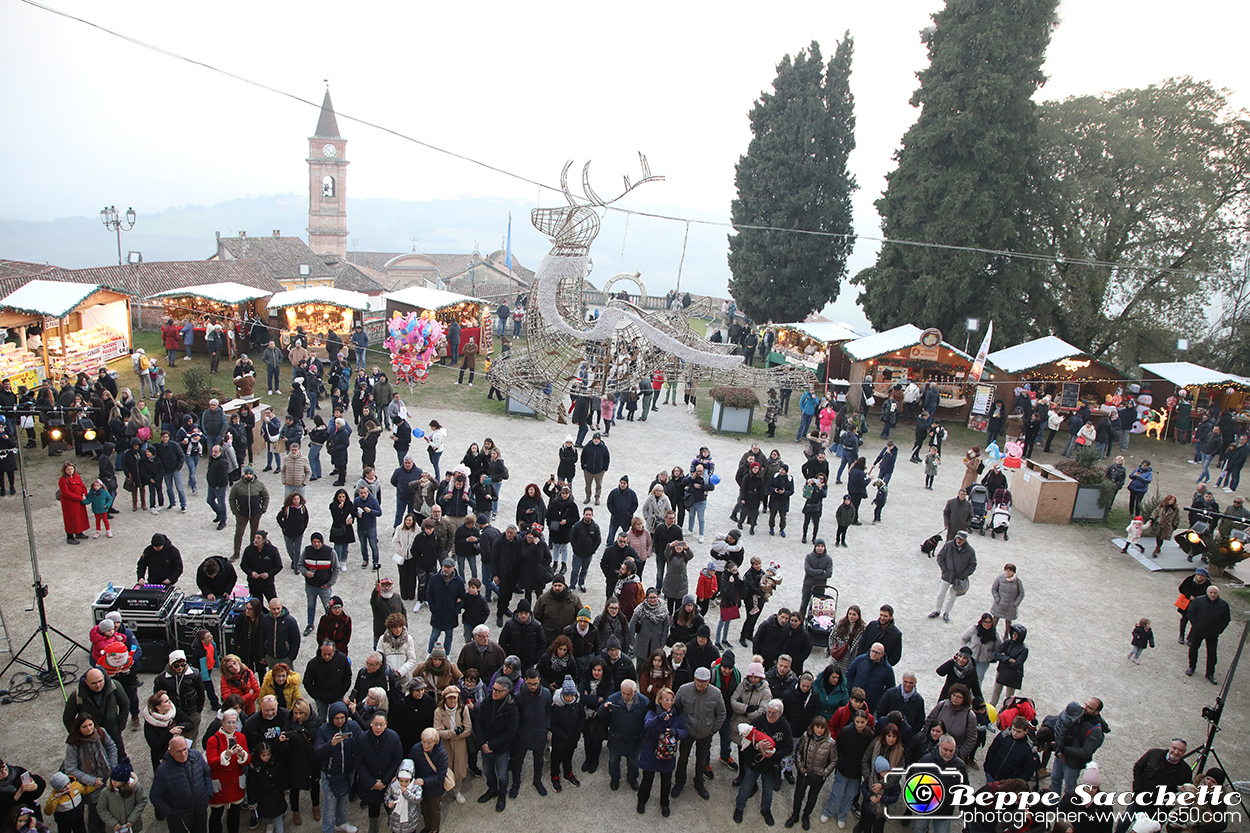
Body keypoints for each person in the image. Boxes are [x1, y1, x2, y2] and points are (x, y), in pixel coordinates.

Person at [732, 698, 793, 826]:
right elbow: (747, 738)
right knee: (746, 787)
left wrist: (775, 754)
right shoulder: (759, 721)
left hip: (771, 765)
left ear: (780, 714)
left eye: (773, 713)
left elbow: (789, 747)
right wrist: (757, 745)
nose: (770, 715)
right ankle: (739, 808)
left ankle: (766, 809)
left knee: (768, 790)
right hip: (754, 762)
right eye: (768, 712)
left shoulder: (784, 726)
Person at [149, 737, 213, 833]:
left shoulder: (196, 756)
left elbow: (206, 772)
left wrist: (208, 794)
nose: (183, 754)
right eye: (179, 752)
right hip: (179, 818)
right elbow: (155, 796)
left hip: (199, 811)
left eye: (184, 749)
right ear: (170, 752)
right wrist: (169, 813)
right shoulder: (163, 771)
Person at [475, 675, 519, 812]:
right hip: (485, 746)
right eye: (493, 689)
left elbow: (510, 733)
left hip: (501, 749)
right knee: (488, 771)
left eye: (497, 690)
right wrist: (482, 743)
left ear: (506, 692)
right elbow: (478, 723)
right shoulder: (487, 702)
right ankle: (492, 789)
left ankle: (502, 794)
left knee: (502, 775)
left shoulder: (512, 708)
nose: (494, 692)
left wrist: (491, 745)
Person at [354, 712, 404, 833]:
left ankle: (395, 828)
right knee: (373, 807)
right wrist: (372, 782)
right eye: (375, 724)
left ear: (386, 724)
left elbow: (397, 760)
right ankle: (373, 828)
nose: (378, 728)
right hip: (371, 784)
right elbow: (359, 764)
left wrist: (385, 781)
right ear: (371, 723)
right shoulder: (362, 739)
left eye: (381, 724)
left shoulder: (394, 737)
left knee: (392, 808)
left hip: (388, 783)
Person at [1049, 698, 1107, 795]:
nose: (1085, 708)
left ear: (1097, 712)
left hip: (1074, 764)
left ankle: (1067, 808)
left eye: (1090, 708)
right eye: (1086, 705)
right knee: (1055, 779)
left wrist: (1063, 749)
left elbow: (1086, 752)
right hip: (1061, 756)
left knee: (1070, 789)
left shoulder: (1096, 730)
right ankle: (1052, 804)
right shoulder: (1077, 715)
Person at [204, 708, 249, 833]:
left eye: (234, 722)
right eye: (228, 722)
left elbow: (247, 760)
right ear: (222, 723)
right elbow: (211, 762)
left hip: (235, 782)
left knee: (234, 815)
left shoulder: (241, 737)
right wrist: (226, 755)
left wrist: (242, 754)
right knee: (216, 814)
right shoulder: (213, 740)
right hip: (220, 783)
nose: (231, 725)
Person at [1185, 585, 1231, 684]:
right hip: (1198, 630)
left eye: (1215, 593)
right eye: (1211, 593)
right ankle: (1191, 667)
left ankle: (1210, 673)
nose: (1213, 595)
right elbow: (1191, 612)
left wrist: (1219, 630)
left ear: (1218, 594)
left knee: (1212, 653)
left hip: (1213, 633)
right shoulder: (1198, 601)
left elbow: (1226, 619)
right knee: (1193, 649)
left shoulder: (1223, 605)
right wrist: (1196, 625)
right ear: (1207, 592)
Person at [929, 531, 977, 623]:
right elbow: (940, 557)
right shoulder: (948, 545)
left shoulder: (970, 551)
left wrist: (963, 575)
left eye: (961, 539)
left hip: (958, 578)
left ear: (965, 540)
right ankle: (937, 610)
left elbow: (972, 565)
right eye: (958, 538)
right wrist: (944, 569)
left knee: (953, 596)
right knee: (941, 594)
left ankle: (947, 613)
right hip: (947, 575)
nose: (959, 541)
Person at [228, 466, 269, 562]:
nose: (248, 476)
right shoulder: (237, 485)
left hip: (255, 513)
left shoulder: (259, 485)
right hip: (242, 514)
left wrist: (263, 509)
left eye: (250, 474)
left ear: (253, 475)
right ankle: (236, 553)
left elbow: (266, 496)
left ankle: (253, 551)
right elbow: (232, 499)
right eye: (246, 474)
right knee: (239, 533)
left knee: (254, 534)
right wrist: (235, 512)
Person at [96, 761, 147, 833]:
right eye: (112, 779)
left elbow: (141, 801)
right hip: (114, 829)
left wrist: (132, 819)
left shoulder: (136, 788)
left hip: (133, 827)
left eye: (117, 781)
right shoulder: (106, 792)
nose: (113, 782)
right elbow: (101, 809)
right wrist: (113, 823)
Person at [57, 462, 90, 545]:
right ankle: (70, 537)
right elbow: (66, 493)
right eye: (68, 469)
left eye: (71, 468)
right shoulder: (63, 479)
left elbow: (82, 485)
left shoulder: (76, 476)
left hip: (78, 501)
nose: (70, 471)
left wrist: (84, 493)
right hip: (70, 503)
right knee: (71, 519)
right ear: (64, 471)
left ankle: (79, 532)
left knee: (79, 517)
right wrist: (79, 497)